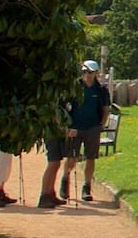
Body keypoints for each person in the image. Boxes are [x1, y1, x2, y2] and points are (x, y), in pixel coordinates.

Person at [38, 60, 111, 208]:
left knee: (91, 157)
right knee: (71, 157)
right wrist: (67, 126)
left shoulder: (101, 89)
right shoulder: (74, 88)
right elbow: (65, 107)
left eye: (90, 72)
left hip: (92, 127)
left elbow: (105, 108)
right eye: (84, 72)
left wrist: (101, 125)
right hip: (75, 128)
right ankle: (65, 180)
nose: (87, 75)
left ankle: (87, 187)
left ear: (96, 73)